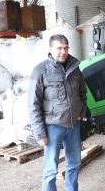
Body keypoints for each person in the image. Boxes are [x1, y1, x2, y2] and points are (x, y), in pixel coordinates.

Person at [28, 34, 87, 191]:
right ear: (50, 49)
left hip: (73, 126)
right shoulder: (40, 70)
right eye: (59, 48)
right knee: (50, 169)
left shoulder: (75, 68)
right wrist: (40, 133)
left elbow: (83, 93)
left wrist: (81, 113)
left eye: (65, 48)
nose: (63, 52)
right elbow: (33, 104)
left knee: (74, 163)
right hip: (52, 127)